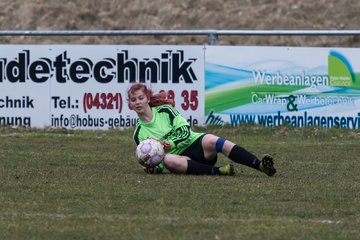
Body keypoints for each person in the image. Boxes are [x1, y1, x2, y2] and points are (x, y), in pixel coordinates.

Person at [128, 83, 276, 176]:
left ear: (147, 98)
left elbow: (185, 131)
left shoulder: (165, 111)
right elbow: (155, 160)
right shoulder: (139, 134)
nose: (138, 102)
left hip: (195, 144)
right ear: (130, 105)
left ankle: (260, 165)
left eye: (141, 98)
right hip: (183, 161)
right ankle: (220, 171)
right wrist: (154, 169)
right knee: (169, 160)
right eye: (133, 100)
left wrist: (169, 144)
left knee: (213, 140)